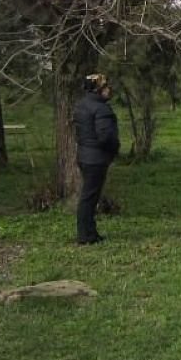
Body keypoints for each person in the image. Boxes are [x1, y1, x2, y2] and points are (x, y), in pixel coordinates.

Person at [73, 73, 119, 245]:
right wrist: (114, 149)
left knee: (89, 197)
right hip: (96, 159)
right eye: (106, 87)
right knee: (89, 198)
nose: (109, 90)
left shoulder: (81, 105)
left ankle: (89, 233)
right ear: (99, 90)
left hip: (84, 155)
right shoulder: (102, 109)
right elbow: (106, 137)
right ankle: (86, 236)